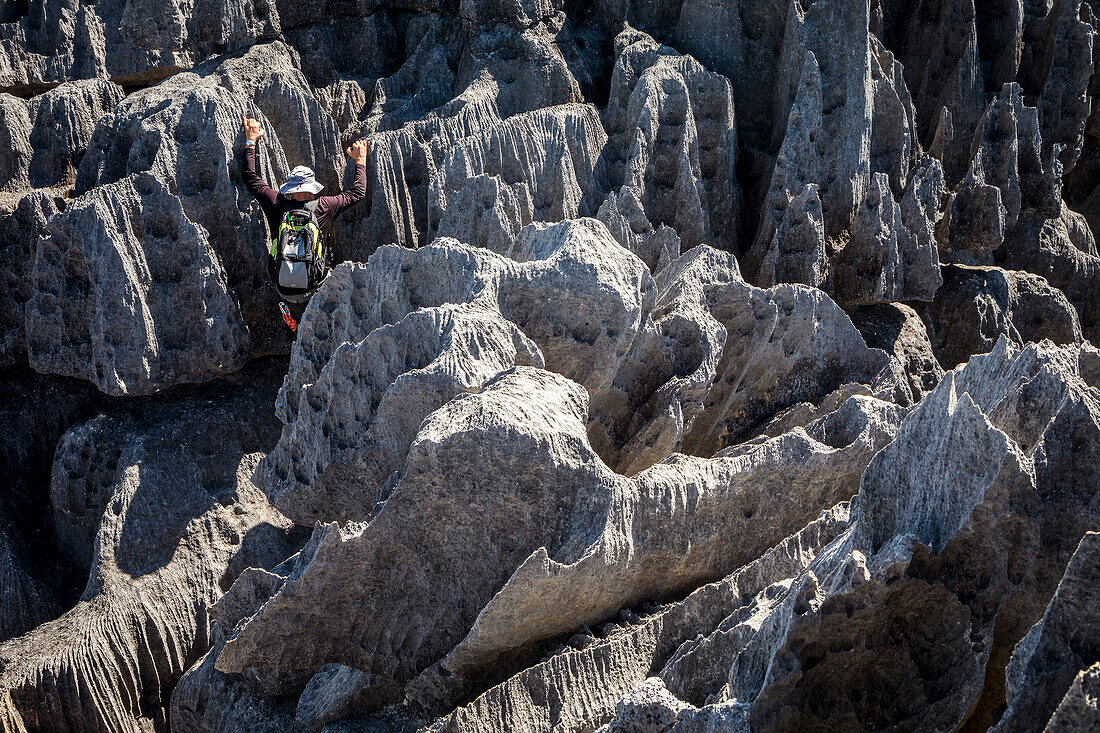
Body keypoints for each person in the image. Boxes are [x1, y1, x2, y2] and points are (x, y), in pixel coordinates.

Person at [241, 116, 369, 332]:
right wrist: (360, 160)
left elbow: (251, 178)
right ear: (312, 188)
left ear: (288, 188)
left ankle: (294, 325)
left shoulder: (276, 203)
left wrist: (251, 140)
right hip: (317, 285)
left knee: (296, 322)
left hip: (283, 287)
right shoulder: (325, 206)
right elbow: (357, 192)